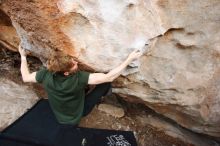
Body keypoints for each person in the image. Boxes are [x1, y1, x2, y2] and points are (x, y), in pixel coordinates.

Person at [18, 44, 142, 126]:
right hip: (77, 115)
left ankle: (85, 91)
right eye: (74, 64)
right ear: (66, 73)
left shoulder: (45, 74)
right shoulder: (79, 78)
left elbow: (25, 77)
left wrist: (23, 57)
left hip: (59, 113)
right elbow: (109, 77)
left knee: (87, 85)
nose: (76, 62)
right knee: (105, 83)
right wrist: (128, 60)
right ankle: (103, 95)